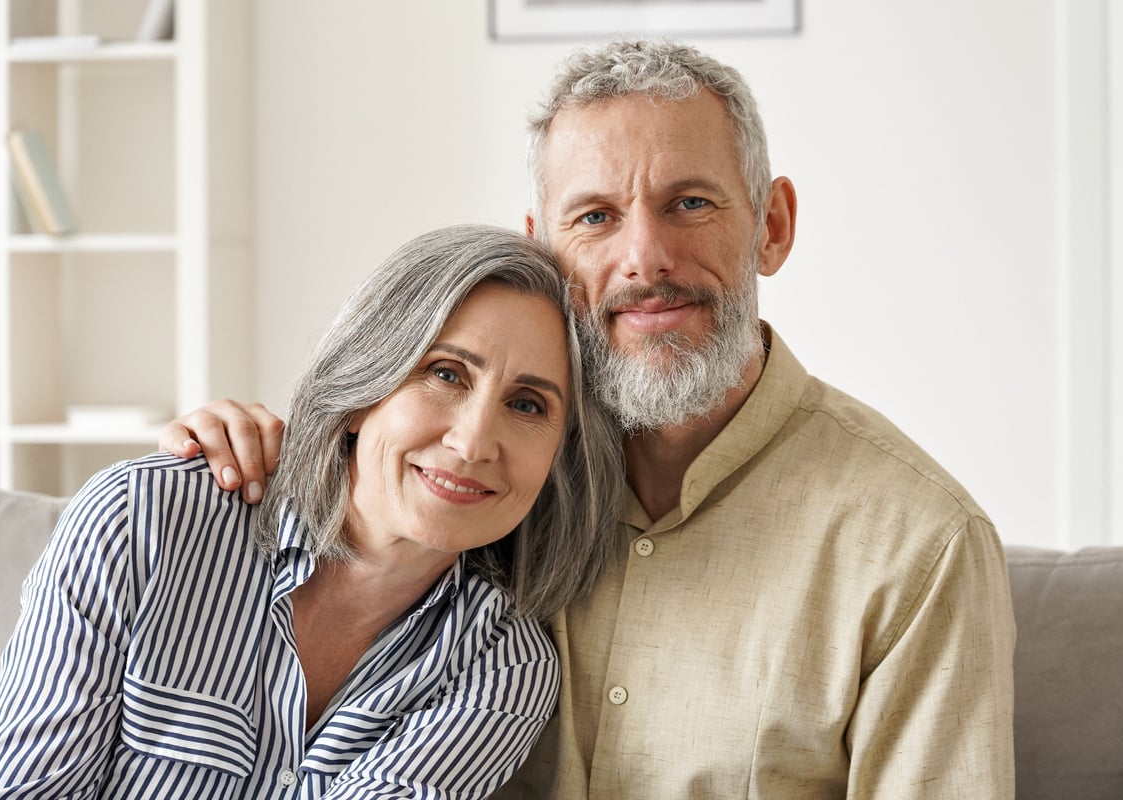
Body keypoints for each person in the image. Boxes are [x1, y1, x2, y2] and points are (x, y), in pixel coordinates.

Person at [159, 40, 1017, 798]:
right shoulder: (479, 481)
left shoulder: (920, 546)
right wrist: (245, 453)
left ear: (773, 226)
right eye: (596, 216)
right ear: (545, 253)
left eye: (691, 203)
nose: (644, 257)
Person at [0, 225, 624, 798]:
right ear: (360, 391)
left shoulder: (503, 667)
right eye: (446, 374)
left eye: (529, 405)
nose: (474, 442)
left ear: (557, 463)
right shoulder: (142, 518)